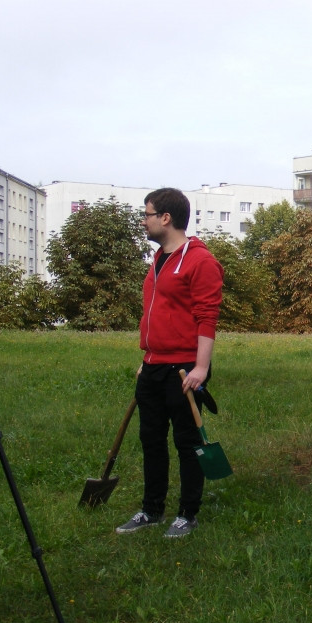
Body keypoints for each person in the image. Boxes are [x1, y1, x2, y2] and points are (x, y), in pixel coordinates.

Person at [117, 188, 223, 539]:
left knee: (188, 443)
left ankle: (187, 514)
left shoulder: (200, 261)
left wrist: (200, 369)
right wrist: (147, 359)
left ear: (166, 218)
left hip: (183, 368)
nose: (143, 221)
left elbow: (207, 317)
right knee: (151, 440)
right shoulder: (160, 259)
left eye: (147, 214)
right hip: (152, 366)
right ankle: (151, 510)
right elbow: (159, 314)